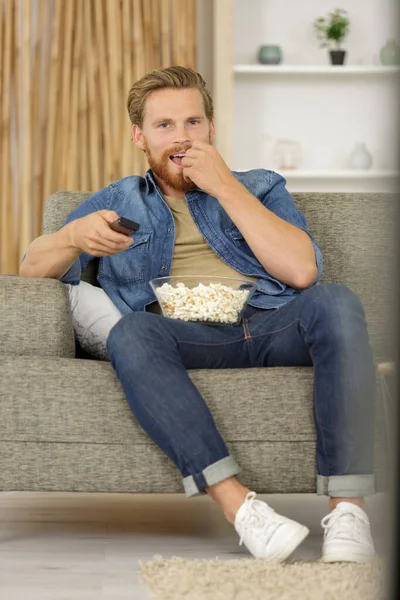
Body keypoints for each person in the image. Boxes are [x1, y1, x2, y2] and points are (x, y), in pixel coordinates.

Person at [20, 66, 377, 563]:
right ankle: (244, 512)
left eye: (193, 122)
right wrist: (69, 238)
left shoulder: (259, 185)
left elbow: (301, 272)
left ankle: (349, 513)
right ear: (139, 136)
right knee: (134, 332)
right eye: (165, 126)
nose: (182, 138)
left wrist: (226, 186)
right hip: (184, 335)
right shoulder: (117, 200)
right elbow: (29, 273)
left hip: (270, 322)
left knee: (338, 301)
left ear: (210, 128)